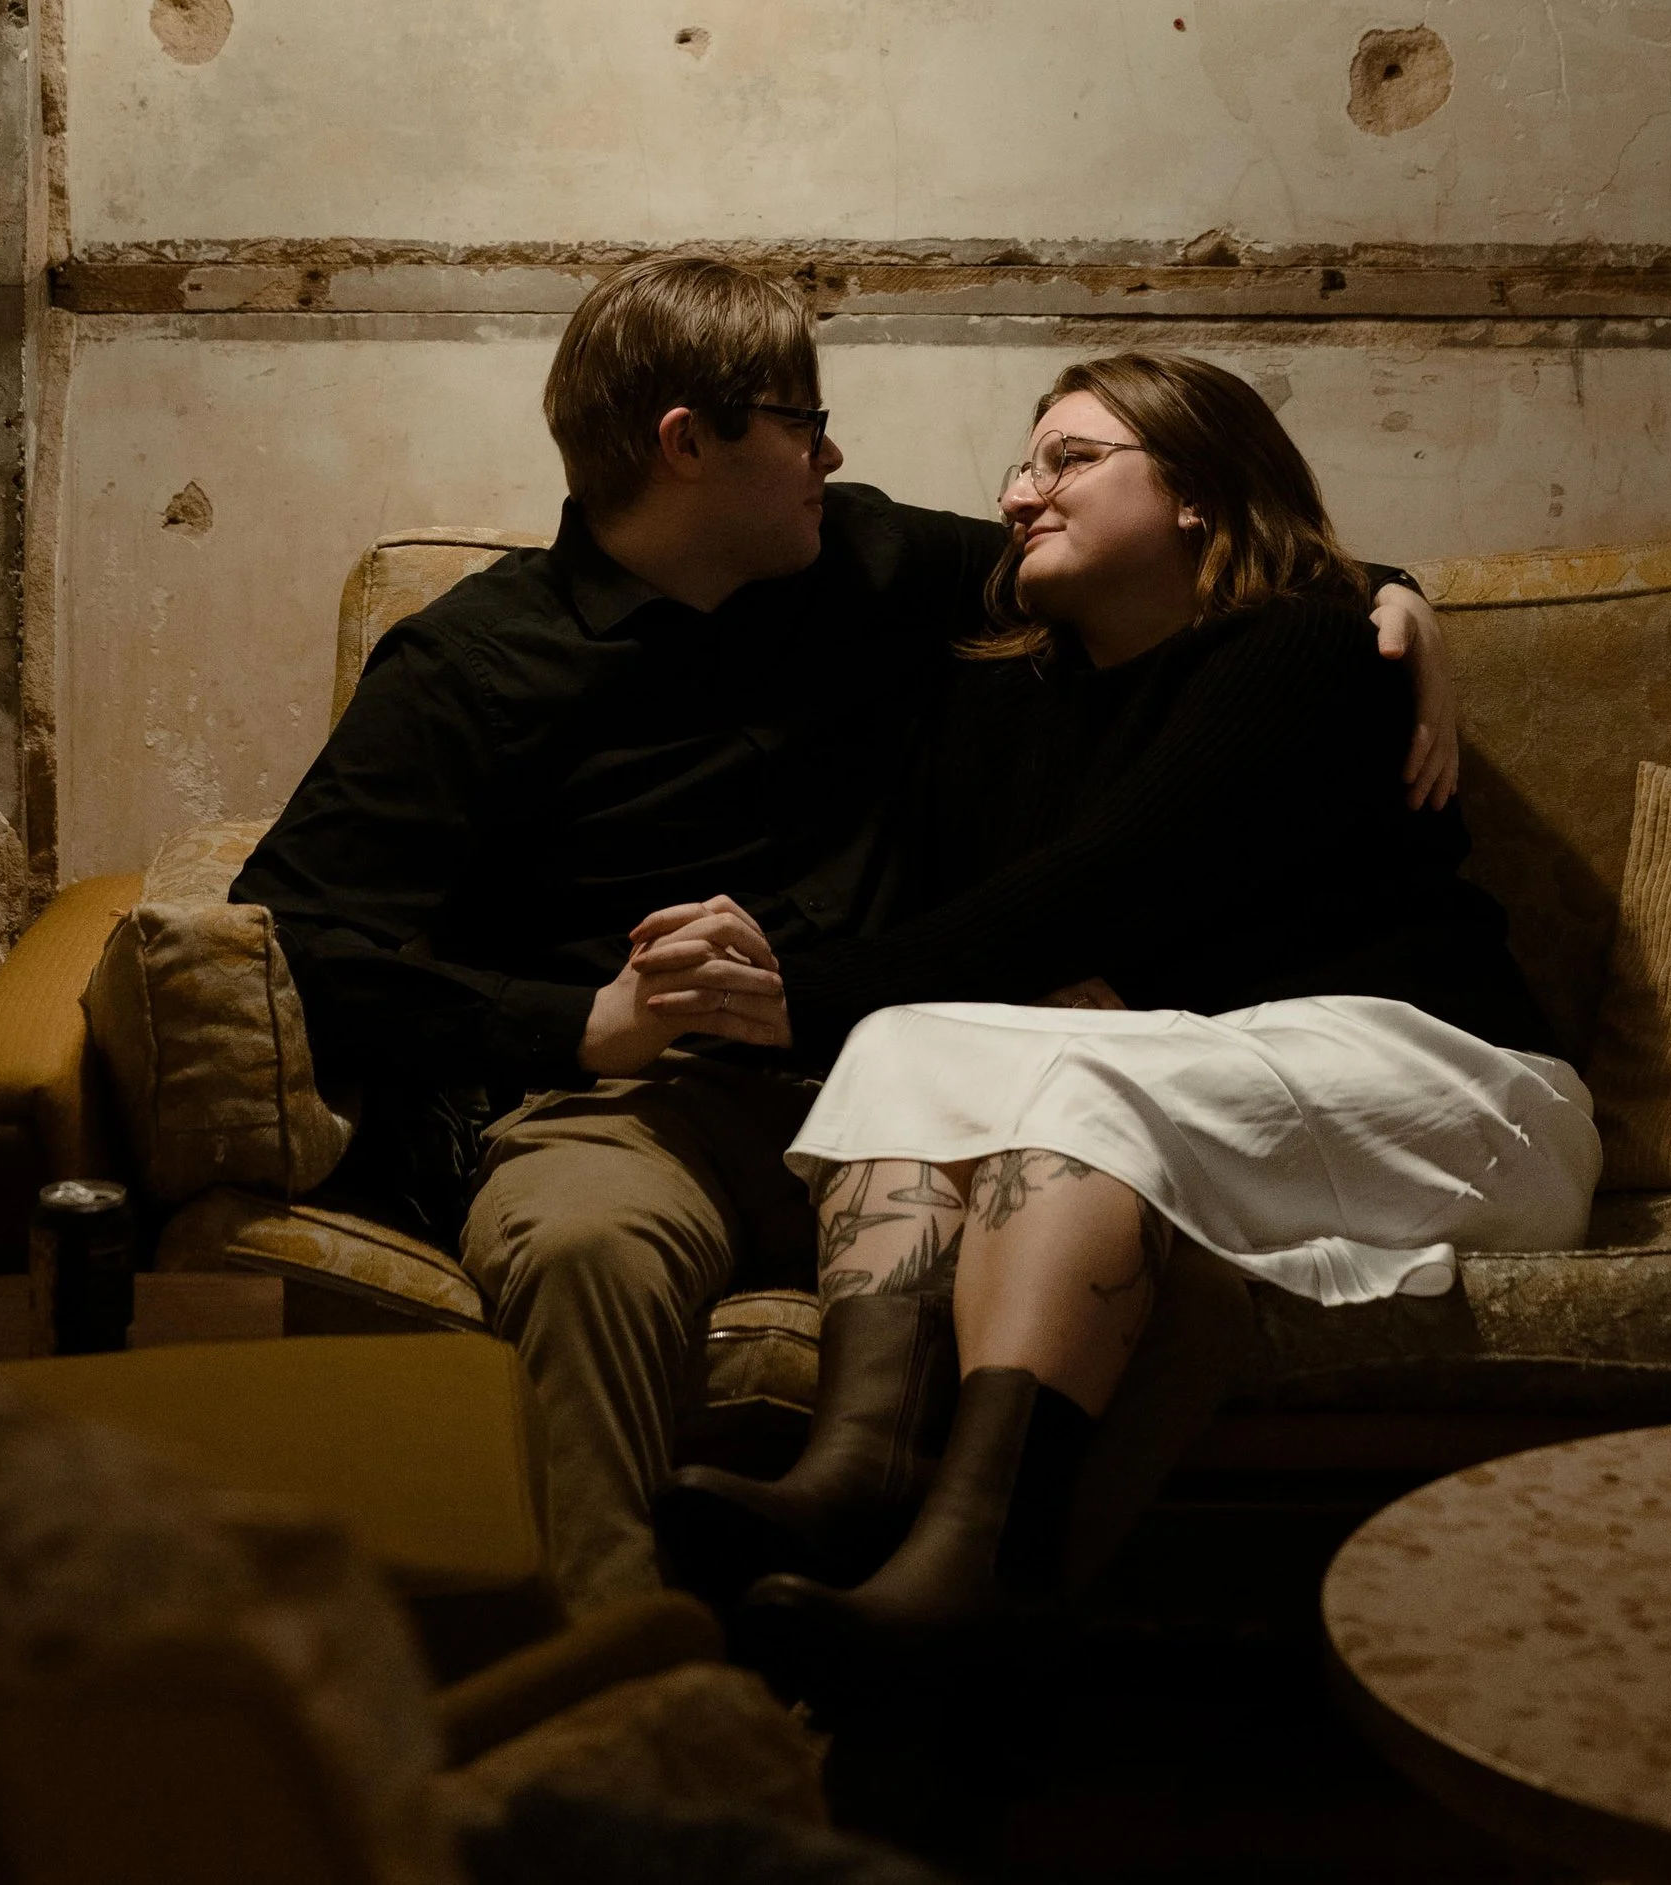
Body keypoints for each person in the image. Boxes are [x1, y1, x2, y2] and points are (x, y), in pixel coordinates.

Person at [234, 256, 1458, 1605]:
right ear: (688, 443)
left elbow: (1179, 545)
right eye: (800, 420)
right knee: (585, 1245)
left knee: (1143, 1254)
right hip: (647, 1102)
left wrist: (1390, 596)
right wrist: (585, 1023)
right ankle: (622, 1688)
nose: (834, 449)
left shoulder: (872, 562)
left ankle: (934, 1697)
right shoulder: (470, 664)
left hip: (916, 1091)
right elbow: (288, 942)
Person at [640, 353, 1599, 1668]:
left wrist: (788, 998)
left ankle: (987, 1551)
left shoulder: (1310, 650)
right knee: (907, 1040)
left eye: (1073, 460)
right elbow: (1019, 951)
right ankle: (861, 1463)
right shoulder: (1009, 702)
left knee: (1068, 1085)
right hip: (1213, 1074)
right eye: (1023, 467)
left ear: (1201, 491)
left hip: (1450, 1085)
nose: (1025, 493)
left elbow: (1104, 888)